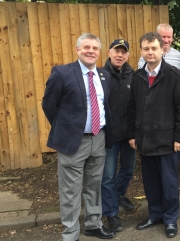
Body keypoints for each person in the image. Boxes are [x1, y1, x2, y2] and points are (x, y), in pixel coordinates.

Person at [42, 33, 116, 240]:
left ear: (99, 52)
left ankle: (93, 224)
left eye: (95, 48)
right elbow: (49, 105)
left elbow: (104, 106)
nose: (91, 51)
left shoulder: (104, 76)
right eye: (86, 47)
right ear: (77, 50)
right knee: (70, 190)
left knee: (94, 185)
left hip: (98, 138)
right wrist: (65, 128)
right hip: (73, 141)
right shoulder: (62, 73)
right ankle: (71, 232)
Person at [127, 32, 180, 238]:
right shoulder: (137, 77)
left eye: (154, 48)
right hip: (145, 141)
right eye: (146, 49)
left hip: (168, 141)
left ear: (162, 49)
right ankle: (154, 214)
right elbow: (132, 108)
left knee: (169, 182)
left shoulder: (175, 76)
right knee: (151, 181)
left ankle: (170, 218)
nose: (150, 52)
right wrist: (132, 135)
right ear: (141, 51)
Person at [101, 39, 135, 232]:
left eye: (124, 52)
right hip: (109, 136)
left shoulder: (133, 76)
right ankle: (111, 213)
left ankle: (119, 194)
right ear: (109, 52)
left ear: (128, 55)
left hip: (129, 135)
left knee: (128, 170)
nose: (120, 55)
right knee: (108, 176)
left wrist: (135, 133)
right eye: (117, 51)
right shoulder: (100, 75)